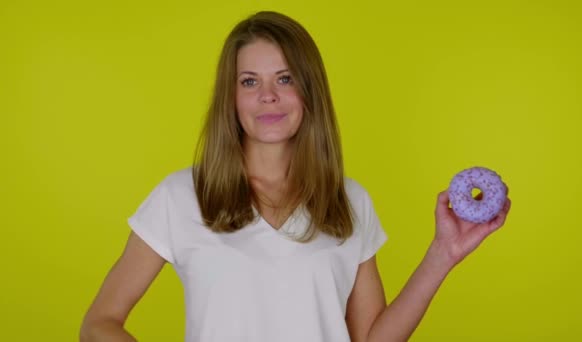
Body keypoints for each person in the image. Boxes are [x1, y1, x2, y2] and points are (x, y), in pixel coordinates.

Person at [80, 10, 511, 342]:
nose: (268, 94)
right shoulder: (182, 195)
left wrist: (443, 254)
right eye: (249, 81)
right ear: (230, 98)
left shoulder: (349, 200)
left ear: (309, 90)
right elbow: (100, 323)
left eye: (285, 78)